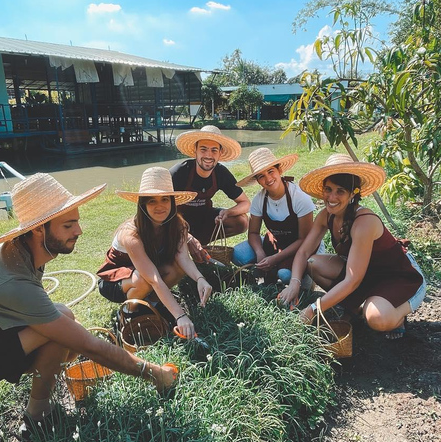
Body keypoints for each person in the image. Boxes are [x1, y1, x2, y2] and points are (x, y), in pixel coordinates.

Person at [0, 173, 177, 436]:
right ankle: (24, 414)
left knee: (61, 317)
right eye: (68, 224)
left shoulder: (21, 253)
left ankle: (3, 406)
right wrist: (155, 373)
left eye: (76, 221)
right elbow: (90, 345)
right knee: (57, 331)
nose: (79, 231)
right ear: (39, 230)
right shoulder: (9, 279)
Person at [277, 154, 426, 339]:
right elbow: (304, 251)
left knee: (376, 319)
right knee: (313, 262)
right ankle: (354, 306)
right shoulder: (326, 215)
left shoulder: (364, 222)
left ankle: (398, 315)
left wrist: (313, 309)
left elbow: (353, 280)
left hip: (398, 276)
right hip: (364, 273)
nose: (332, 197)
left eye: (340, 191)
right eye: (328, 189)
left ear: (353, 193)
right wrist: (294, 283)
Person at [97, 166, 213, 340]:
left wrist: (200, 279)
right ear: (142, 205)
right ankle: (128, 312)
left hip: (147, 273)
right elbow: (153, 279)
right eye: (152, 201)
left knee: (177, 268)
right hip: (116, 280)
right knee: (144, 280)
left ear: (172, 202)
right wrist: (180, 316)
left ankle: (151, 304)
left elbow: (183, 258)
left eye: (165, 199)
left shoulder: (178, 225)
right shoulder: (131, 234)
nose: (160, 206)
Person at [231, 147, 317, 285]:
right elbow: (253, 232)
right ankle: (268, 269)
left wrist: (275, 259)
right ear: (257, 181)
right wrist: (260, 253)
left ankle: (306, 276)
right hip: (276, 242)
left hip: (302, 247)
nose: (268, 179)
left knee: (285, 275)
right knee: (238, 254)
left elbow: (304, 239)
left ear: (280, 171)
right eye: (261, 176)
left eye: (271, 171)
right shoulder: (259, 200)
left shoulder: (299, 198)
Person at [170, 125, 250, 254]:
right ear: (195, 150)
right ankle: (181, 245)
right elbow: (164, 208)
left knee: (242, 221)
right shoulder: (179, 172)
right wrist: (183, 230)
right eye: (203, 149)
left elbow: (245, 203)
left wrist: (228, 212)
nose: (208, 155)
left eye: (214, 150)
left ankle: (201, 245)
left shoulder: (221, 173)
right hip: (178, 221)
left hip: (204, 218)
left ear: (220, 153)